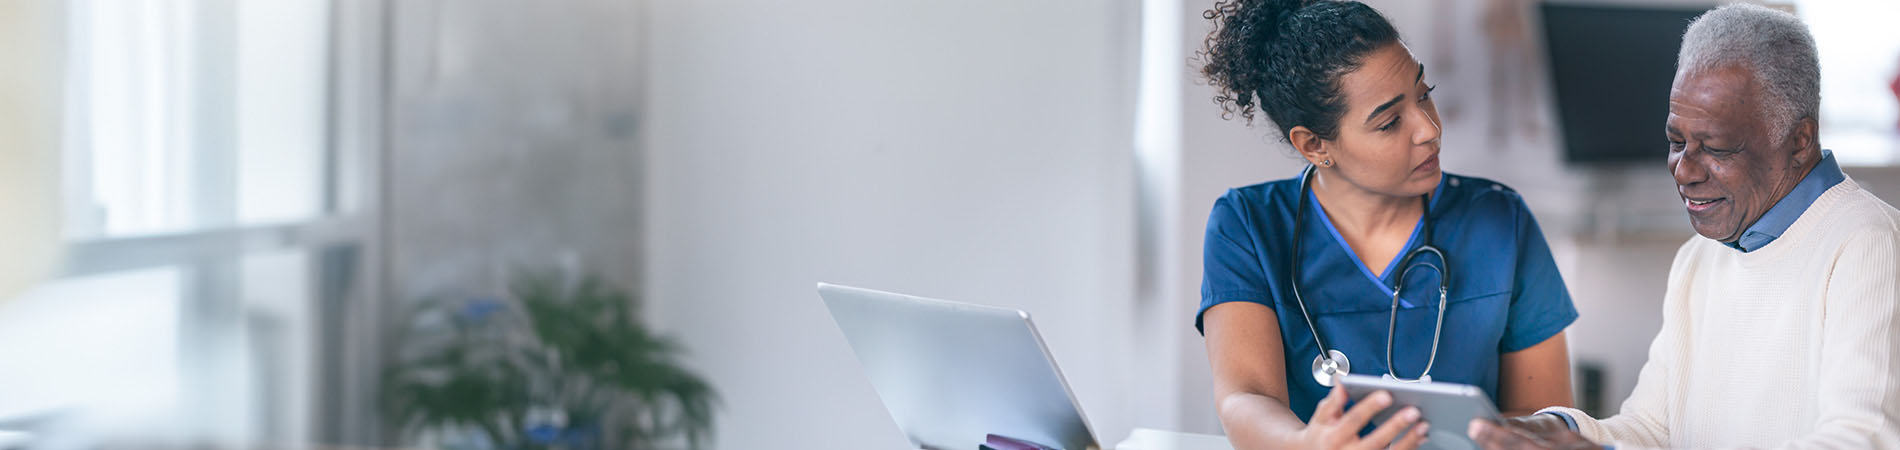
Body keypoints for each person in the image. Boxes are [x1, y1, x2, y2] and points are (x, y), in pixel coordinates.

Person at [1468, 4, 1900, 449]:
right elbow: (1652, 430)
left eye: (1717, 148)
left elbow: (1860, 440)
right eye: (1677, 142)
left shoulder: (1870, 245)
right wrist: (1558, 430)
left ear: (1799, 140)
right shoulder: (1699, 257)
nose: (1684, 170)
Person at [1195, 1, 1579, 448]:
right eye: (1390, 121)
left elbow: (1546, 414)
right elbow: (1247, 396)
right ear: (1315, 144)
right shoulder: (1247, 225)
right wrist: (1303, 445)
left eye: (1424, 93)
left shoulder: (1500, 220)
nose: (1428, 129)